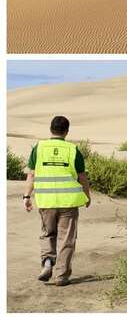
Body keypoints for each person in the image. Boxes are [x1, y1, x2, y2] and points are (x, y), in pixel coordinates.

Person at [23, 116, 91, 286]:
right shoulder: (73, 149)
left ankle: (47, 262)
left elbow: (31, 174)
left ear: (50, 129)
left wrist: (26, 196)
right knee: (66, 238)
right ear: (67, 131)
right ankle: (61, 276)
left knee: (48, 233)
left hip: (46, 201)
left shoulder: (39, 147)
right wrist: (87, 196)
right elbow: (82, 177)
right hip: (68, 202)